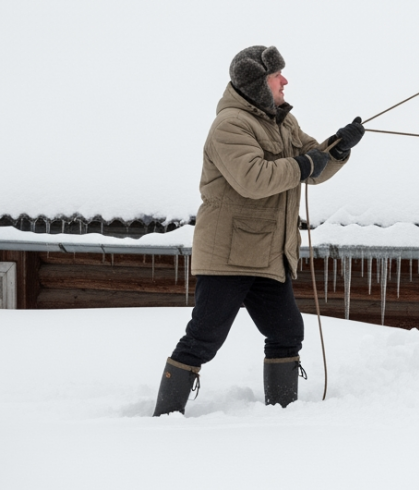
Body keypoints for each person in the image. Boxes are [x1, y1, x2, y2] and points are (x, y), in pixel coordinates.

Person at [152, 45, 365, 416]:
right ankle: (164, 418)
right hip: (228, 256)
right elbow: (253, 179)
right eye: (276, 75)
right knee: (204, 339)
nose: (285, 80)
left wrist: (339, 149)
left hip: (269, 255)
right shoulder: (230, 125)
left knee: (287, 332)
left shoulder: (282, 122)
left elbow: (312, 164)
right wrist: (303, 164)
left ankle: (280, 416)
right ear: (258, 85)